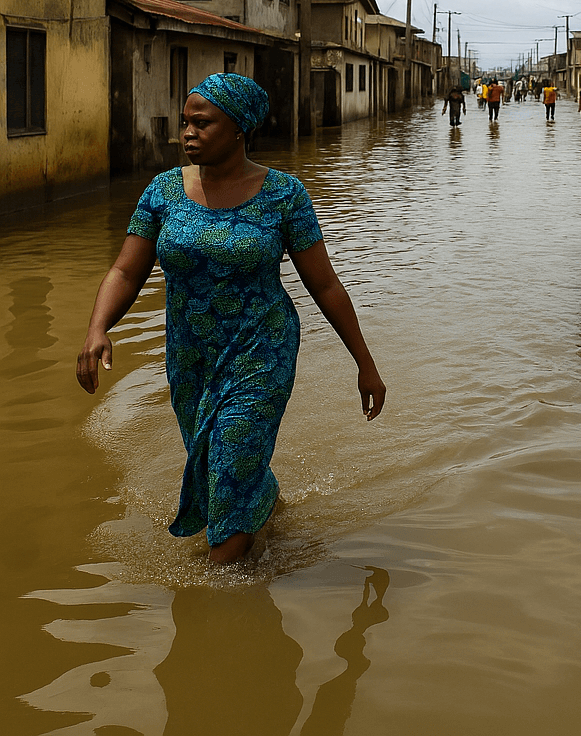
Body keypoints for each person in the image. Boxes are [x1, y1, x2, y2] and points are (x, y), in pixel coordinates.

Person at [76, 73, 387, 565]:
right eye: (185, 123)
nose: (188, 133)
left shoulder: (283, 195)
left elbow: (324, 285)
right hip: (190, 355)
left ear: (239, 128)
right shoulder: (163, 192)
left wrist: (364, 364)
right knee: (218, 464)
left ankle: (225, 602)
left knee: (227, 478)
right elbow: (124, 269)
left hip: (261, 351)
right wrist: (98, 329)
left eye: (202, 123)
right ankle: (262, 507)